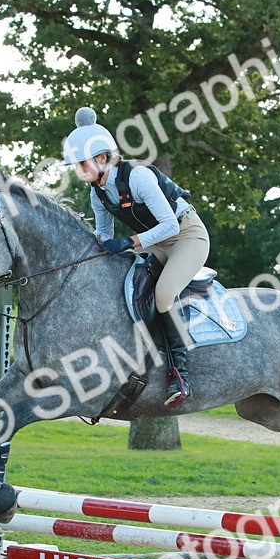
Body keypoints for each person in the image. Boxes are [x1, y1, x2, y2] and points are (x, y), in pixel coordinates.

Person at [63, 106, 211, 408]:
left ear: (102, 158)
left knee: (164, 294)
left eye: (82, 163)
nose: (79, 170)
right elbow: (103, 234)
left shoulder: (139, 177)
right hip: (154, 242)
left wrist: (128, 242)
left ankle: (179, 375)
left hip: (187, 236)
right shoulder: (97, 192)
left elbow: (170, 225)